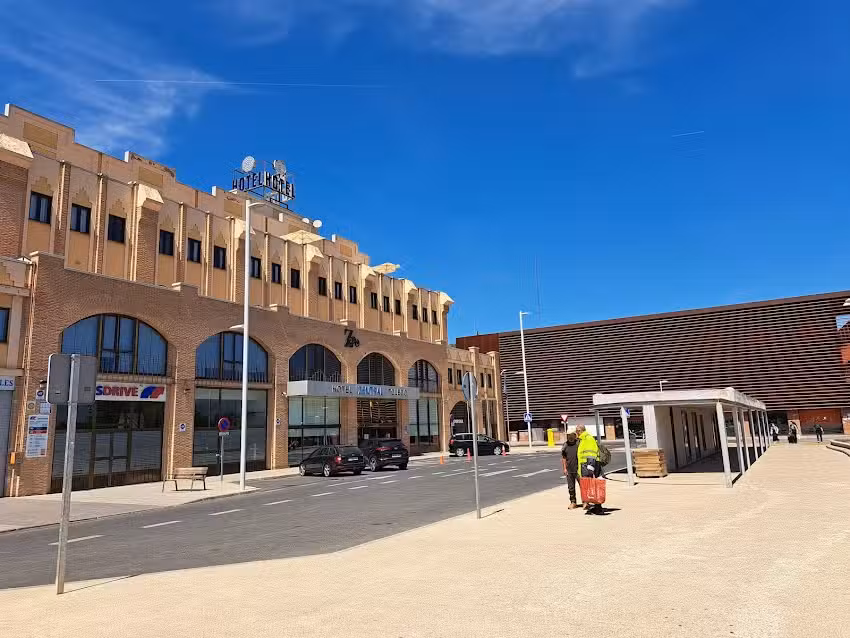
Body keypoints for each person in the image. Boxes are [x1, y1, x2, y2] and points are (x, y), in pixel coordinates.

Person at [576, 424, 602, 512]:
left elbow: (591, 453)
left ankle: (598, 507)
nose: (576, 433)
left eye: (577, 431)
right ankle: (593, 505)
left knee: (592, 486)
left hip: (589, 467)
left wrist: (590, 467)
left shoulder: (588, 438)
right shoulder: (582, 439)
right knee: (588, 487)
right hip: (585, 467)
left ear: (580, 431)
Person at [561, 427, 581, 509]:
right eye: (568, 435)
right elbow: (563, 458)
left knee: (583, 486)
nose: (570, 437)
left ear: (574, 435)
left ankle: (585, 502)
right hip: (569, 470)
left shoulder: (579, 443)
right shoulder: (565, 445)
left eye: (571, 435)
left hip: (579, 469)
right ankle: (573, 502)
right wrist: (565, 468)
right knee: (571, 487)